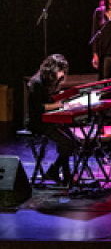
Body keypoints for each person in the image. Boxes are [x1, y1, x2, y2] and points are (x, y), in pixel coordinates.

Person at [27, 54, 75, 185]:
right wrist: (58, 105)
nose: (63, 74)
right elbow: (38, 108)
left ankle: (62, 173)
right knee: (67, 143)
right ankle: (57, 171)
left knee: (73, 141)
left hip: (49, 120)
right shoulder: (37, 83)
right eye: (61, 71)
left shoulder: (50, 82)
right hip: (38, 122)